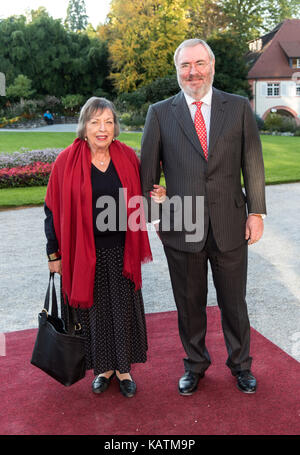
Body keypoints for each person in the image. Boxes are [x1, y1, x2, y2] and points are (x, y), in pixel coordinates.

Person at [140, 39, 266, 395]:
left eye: (199, 63)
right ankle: (195, 365)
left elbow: (252, 164)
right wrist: (155, 217)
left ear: (212, 66)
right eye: (185, 65)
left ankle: (241, 366)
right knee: (189, 304)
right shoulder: (160, 113)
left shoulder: (239, 108)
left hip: (230, 223)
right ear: (177, 70)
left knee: (234, 303)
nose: (192, 72)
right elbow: (147, 171)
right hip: (181, 226)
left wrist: (256, 212)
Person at [44, 97, 165, 398]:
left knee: (122, 311)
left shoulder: (126, 157)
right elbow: (51, 209)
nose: (102, 128)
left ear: (115, 127)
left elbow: (142, 203)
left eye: (109, 122)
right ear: (84, 126)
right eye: (95, 121)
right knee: (95, 314)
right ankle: (103, 369)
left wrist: (159, 196)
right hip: (82, 254)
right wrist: (53, 253)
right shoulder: (66, 161)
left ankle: (123, 369)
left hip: (121, 250)